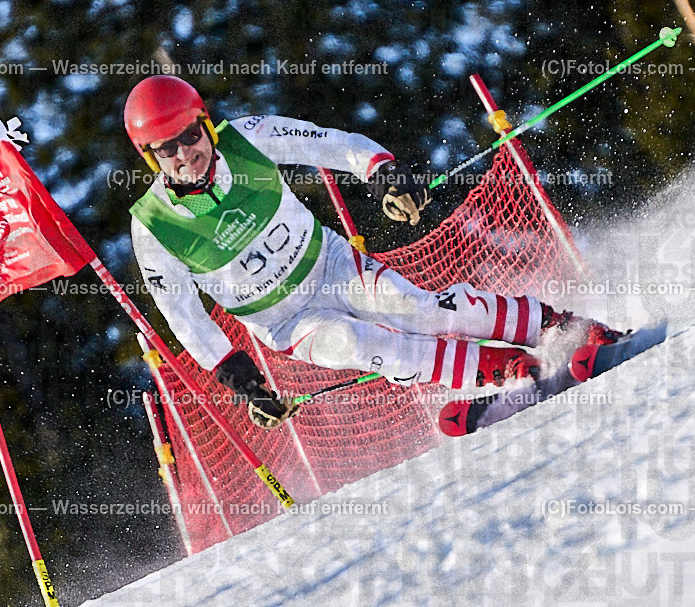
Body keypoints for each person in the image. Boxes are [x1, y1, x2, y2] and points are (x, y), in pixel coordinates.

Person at [124, 75, 621, 428]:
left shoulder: (247, 138)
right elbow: (182, 314)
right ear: (149, 156)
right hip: (283, 322)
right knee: (363, 347)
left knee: (417, 309)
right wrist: (233, 371)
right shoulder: (152, 227)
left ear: (204, 124)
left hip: (329, 265)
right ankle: (509, 371)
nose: (186, 154)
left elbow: (328, 144)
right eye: (167, 149)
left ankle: (567, 328)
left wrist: (383, 172)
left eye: (191, 135)